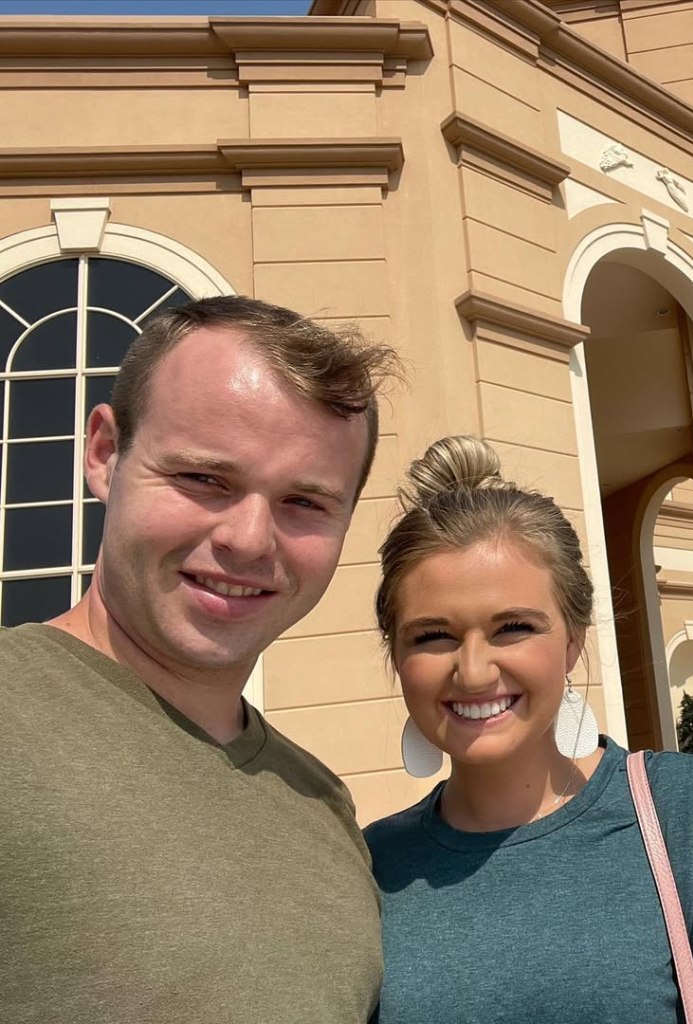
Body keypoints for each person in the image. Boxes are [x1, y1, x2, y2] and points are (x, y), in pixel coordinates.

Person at [0, 296, 398, 1024]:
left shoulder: (321, 805)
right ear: (104, 454)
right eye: (205, 479)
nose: (250, 540)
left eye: (304, 502)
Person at [364, 435, 693, 1024]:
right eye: (432, 635)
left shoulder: (686, 815)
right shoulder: (371, 866)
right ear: (397, 653)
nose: (472, 671)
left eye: (513, 627)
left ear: (573, 639)